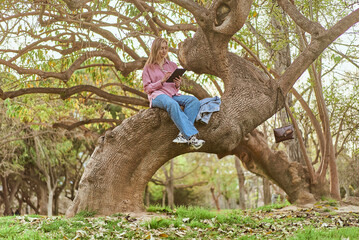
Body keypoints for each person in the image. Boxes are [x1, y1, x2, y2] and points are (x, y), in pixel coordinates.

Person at [142, 38, 205, 149]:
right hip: (157, 96)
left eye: (166, 48)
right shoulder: (148, 67)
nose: (164, 51)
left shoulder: (172, 65)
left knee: (194, 101)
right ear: (155, 49)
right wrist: (161, 81)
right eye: (161, 48)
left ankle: (182, 135)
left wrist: (177, 84)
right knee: (172, 104)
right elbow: (147, 89)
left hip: (172, 95)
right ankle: (191, 136)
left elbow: (175, 89)